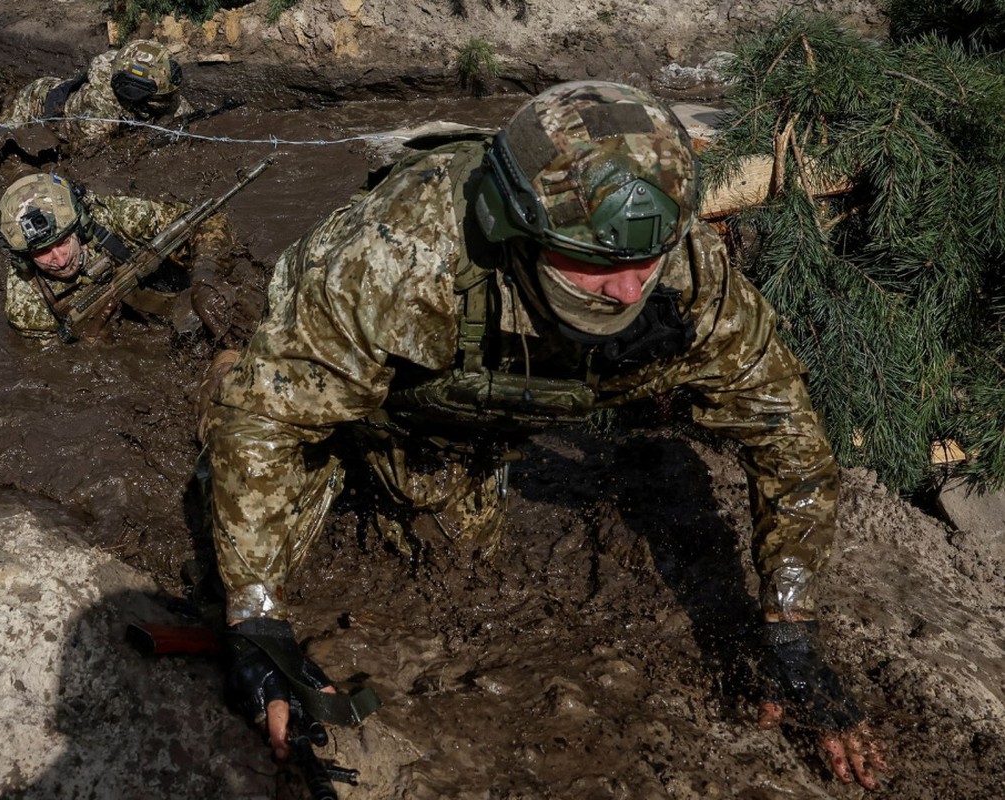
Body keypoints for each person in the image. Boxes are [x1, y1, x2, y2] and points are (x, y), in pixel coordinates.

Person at [199, 81, 890, 789]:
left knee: (454, 556)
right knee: (255, 447)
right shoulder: (395, 257)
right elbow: (271, 424)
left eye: (642, 262)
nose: (626, 291)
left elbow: (787, 438)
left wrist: (790, 625)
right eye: (594, 261)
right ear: (514, 227)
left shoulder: (686, 278)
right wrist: (255, 617)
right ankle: (230, 370)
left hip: (471, 429)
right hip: (366, 400)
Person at [0, 171, 233, 341]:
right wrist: (92, 346)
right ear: (23, 258)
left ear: (81, 226)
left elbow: (210, 218)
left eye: (64, 241)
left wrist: (205, 274)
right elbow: (50, 372)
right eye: (42, 252)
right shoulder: (26, 304)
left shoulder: (116, 217)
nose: (60, 258)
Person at [0, 39, 193, 143]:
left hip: (71, 94)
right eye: (162, 94)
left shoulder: (163, 96)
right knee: (1, 137)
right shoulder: (99, 116)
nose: (171, 97)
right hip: (35, 102)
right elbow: (85, 156)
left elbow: (182, 113)